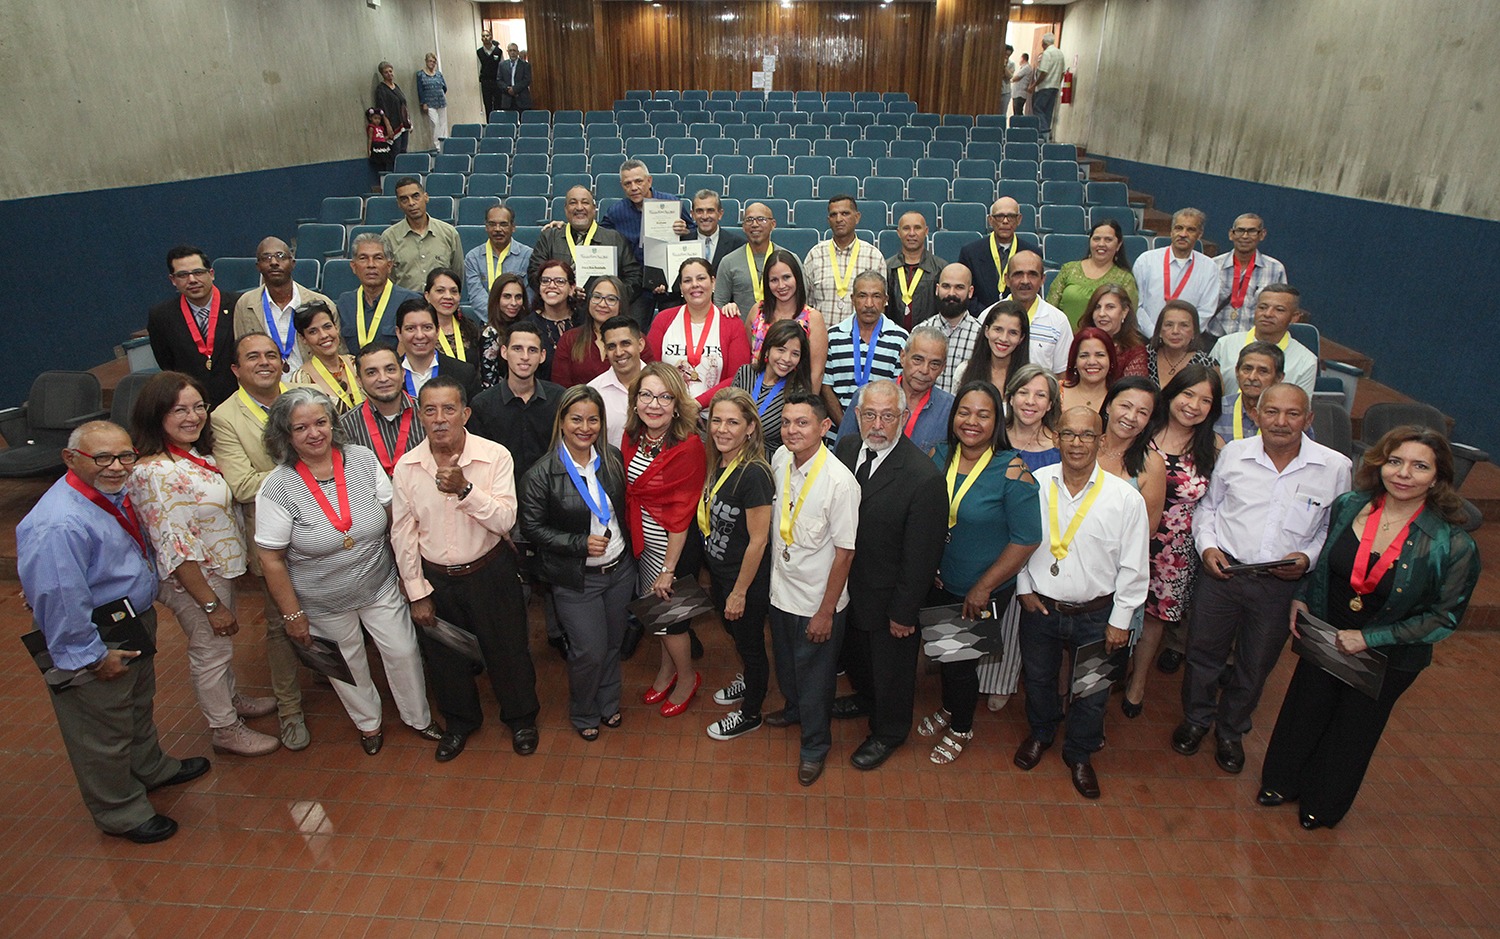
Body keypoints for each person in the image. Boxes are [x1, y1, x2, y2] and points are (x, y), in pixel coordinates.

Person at [1262, 427, 1479, 830]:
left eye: (1419, 466)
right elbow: (1326, 561)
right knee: (1304, 709)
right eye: (1395, 461)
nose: (1403, 474)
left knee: (1353, 729)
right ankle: (1280, 782)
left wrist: (1369, 638)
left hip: (1389, 653)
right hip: (1329, 633)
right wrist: (1303, 596)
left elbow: (1443, 618)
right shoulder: (1350, 505)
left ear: (1438, 478)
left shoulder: (1452, 544)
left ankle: (1322, 804)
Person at [18, 420, 212, 844]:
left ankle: (151, 768)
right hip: (92, 636)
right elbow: (59, 600)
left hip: (127, 620)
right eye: (102, 457)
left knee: (136, 705)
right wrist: (91, 657)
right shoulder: (59, 522)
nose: (117, 466)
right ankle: (120, 810)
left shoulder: (112, 494)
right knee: (100, 730)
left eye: (125, 456)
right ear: (70, 459)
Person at [1173, 383, 1352, 775]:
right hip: (1223, 574)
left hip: (1278, 585)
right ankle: (1196, 719)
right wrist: (1208, 548)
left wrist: (1307, 559)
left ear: (1309, 418)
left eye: (1292, 413)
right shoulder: (1234, 454)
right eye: (1271, 412)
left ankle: (1231, 731)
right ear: (1256, 415)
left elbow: (1332, 529)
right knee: (1202, 654)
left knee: (1255, 664)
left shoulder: (1335, 467)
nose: (1281, 422)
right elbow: (1208, 509)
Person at [256, 387, 442, 754]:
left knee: (404, 651)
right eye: (301, 428)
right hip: (322, 600)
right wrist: (292, 615)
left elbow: (396, 520)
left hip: (379, 584)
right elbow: (270, 559)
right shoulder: (276, 486)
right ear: (285, 435)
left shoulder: (361, 459)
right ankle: (368, 723)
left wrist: (408, 577)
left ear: (333, 424)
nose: (314, 433)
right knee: (347, 664)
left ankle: (418, 718)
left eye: (321, 422)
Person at [126, 372, 281, 757]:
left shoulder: (191, 454)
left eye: (199, 407)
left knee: (220, 648)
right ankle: (224, 729)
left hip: (217, 570)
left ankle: (230, 700)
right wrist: (210, 605)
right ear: (156, 413)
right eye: (180, 410)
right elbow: (175, 546)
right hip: (195, 581)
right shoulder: (156, 472)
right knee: (210, 653)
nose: (193, 417)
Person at [391, 376, 538, 762]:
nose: (440, 419)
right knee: (445, 659)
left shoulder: (494, 456)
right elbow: (403, 534)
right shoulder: (407, 467)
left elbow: (505, 520)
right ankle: (459, 723)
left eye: (449, 409)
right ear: (420, 416)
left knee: (508, 652)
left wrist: (465, 490)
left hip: (491, 572)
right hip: (437, 579)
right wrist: (416, 592)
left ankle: (521, 719)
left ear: (466, 413)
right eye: (430, 410)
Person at [1014, 406, 1151, 799]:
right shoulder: (1035, 484)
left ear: (1101, 441)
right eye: (1068, 434)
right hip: (1040, 608)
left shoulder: (1125, 499)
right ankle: (1042, 733)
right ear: (1056, 438)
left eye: (1087, 435)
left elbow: (1135, 566)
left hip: (1097, 615)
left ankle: (1079, 753)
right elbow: (1017, 540)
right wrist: (1023, 587)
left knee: (1092, 692)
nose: (1077, 443)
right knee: (1038, 680)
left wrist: (1121, 619)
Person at [920, 381, 1041, 764]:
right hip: (939, 579)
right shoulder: (938, 455)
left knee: (962, 664)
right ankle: (950, 708)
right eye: (964, 412)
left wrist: (983, 587)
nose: (971, 422)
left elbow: (1026, 539)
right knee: (946, 655)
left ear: (997, 422)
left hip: (980, 590)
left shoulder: (1013, 470)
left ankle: (961, 727)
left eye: (983, 415)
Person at [832, 379, 948, 771]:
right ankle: (866, 700)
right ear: (857, 415)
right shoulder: (847, 448)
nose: (877, 425)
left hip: (889, 599)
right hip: (849, 588)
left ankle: (890, 731)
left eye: (887, 416)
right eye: (869, 415)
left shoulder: (923, 477)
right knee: (860, 660)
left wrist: (904, 612)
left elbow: (922, 556)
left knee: (891, 671)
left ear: (904, 416)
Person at [519, 386, 636, 740]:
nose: (585, 428)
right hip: (577, 579)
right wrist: (579, 544)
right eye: (576, 419)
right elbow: (532, 529)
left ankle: (608, 703)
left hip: (619, 571)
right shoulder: (541, 474)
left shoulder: (612, 459)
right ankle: (584, 711)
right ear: (561, 421)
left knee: (613, 644)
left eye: (593, 420)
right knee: (590, 651)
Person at [210, 333, 309, 749]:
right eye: (253, 357)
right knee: (281, 624)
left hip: (325, 527)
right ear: (236, 369)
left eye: (271, 355)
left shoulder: (305, 397)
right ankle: (290, 710)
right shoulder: (224, 418)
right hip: (274, 541)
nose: (265, 362)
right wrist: (310, 470)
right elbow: (243, 485)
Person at [763, 393, 860, 787]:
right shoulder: (780, 459)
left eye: (802, 423)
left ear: (824, 427)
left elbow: (845, 554)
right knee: (787, 665)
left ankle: (815, 746)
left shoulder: (840, 483)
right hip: (780, 592)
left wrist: (825, 612)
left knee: (816, 680)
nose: (792, 430)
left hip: (816, 602)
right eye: (786, 422)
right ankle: (794, 709)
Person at [623, 363, 708, 715]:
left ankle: (687, 678)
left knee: (673, 622)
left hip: (675, 548)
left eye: (664, 397)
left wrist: (668, 570)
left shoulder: (689, 446)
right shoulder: (633, 437)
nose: (654, 404)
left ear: (677, 404)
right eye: (646, 395)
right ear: (635, 400)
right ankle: (666, 670)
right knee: (656, 616)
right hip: (645, 545)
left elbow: (681, 512)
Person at [699, 389, 776, 741]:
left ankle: (751, 712)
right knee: (738, 638)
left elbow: (758, 540)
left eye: (733, 422)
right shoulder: (719, 461)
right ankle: (749, 678)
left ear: (750, 427)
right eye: (716, 420)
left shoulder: (754, 474)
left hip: (744, 581)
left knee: (751, 646)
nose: (722, 429)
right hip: (721, 573)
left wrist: (740, 592)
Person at [469, 320, 564, 492]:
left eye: (532, 350)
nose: (525, 356)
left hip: (552, 494)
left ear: (542, 356)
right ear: (504, 352)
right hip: (500, 493)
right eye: (517, 349)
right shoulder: (482, 405)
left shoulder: (559, 398)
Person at [646, 258, 753, 405]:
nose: (695, 284)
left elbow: (738, 377)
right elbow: (651, 368)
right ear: (681, 287)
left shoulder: (732, 323)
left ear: (713, 282)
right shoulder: (663, 320)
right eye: (687, 280)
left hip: (715, 412)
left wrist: (698, 404)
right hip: (668, 409)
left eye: (701, 278)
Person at [528, 187, 642, 325]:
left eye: (585, 202)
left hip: (604, 317)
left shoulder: (615, 238)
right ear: (565, 209)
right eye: (573, 203)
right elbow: (534, 273)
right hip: (559, 315)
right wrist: (563, 292)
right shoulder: (549, 237)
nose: (579, 207)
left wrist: (612, 297)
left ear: (594, 209)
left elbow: (634, 277)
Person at [838, 325, 954, 455]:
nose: (924, 370)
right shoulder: (866, 396)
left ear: (943, 368)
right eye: (917, 360)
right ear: (903, 357)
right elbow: (843, 451)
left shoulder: (949, 409)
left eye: (934, 364)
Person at [148, 245, 240, 407]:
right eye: (183, 275)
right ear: (173, 280)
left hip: (238, 399)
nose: (192, 280)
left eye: (198, 272)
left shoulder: (238, 305)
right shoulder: (161, 317)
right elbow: (167, 364)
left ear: (211, 274)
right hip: (192, 405)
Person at [600, 160, 693, 320]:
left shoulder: (672, 203)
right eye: (628, 183)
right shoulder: (616, 212)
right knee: (633, 327)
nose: (633, 187)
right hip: (637, 283)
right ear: (622, 186)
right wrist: (563, 225)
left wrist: (685, 231)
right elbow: (597, 233)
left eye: (638, 181)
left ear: (649, 181)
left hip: (670, 281)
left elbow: (695, 233)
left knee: (672, 326)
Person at [232, 237, 339, 375]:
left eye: (280, 256)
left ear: (292, 263)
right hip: (266, 383)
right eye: (266, 258)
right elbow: (241, 356)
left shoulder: (321, 303)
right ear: (258, 266)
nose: (274, 262)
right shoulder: (245, 304)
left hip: (314, 382)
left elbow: (337, 354)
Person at [821, 272, 909, 430]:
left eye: (876, 296)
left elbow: (901, 390)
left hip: (881, 433)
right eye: (862, 296)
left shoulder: (900, 339)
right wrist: (846, 428)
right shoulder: (833, 336)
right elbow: (825, 387)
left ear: (886, 300)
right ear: (852, 299)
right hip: (838, 435)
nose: (869, 304)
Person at [1210, 284, 1317, 399]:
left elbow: (1299, 406)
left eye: (1279, 310)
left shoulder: (1306, 361)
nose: (1268, 314)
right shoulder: (1225, 345)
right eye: (1262, 307)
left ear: (1294, 317)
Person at [338, 341, 427, 477]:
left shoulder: (429, 414)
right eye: (371, 373)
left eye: (390, 369)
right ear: (359, 381)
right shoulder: (344, 427)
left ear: (403, 373)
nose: (383, 378)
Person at [746, 250, 829, 388]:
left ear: (797, 277)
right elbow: (747, 355)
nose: (781, 285)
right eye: (774, 280)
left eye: (786, 277)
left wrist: (808, 401)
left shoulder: (813, 318)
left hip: (795, 397)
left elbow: (816, 373)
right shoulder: (757, 311)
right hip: (754, 394)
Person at [1133, 208, 1220, 335]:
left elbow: (1206, 311)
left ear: (1200, 234)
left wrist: (1181, 336)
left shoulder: (1209, 267)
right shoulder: (1146, 261)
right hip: (1146, 336)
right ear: (1171, 230)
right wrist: (1154, 335)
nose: (1183, 234)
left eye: (1190, 230)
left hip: (1187, 340)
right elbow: (1136, 304)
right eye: (1179, 228)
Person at [801, 196, 883, 326]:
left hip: (861, 336)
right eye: (833, 215)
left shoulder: (874, 256)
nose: (839, 219)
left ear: (857, 217)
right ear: (829, 220)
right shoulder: (815, 255)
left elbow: (880, 305)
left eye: (845, 213)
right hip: (822, 335)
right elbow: (806, 305)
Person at [1207, 214, 1288, 340]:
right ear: (1231, 234)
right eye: (1240, 230)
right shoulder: (1212, 266)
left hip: (1255, 341)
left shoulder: (1275, 269)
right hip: (1213, 339)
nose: (1245, 236)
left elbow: (1281, 308)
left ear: (1262, 235)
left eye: (1252, 231)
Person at [1045, 220, 1140, 327]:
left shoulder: (1125, 279)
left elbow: (1128, 320)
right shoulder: (1069, 270)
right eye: (1096, 239)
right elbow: (1050, 309)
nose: (1101, 244)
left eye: (1108, 239)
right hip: (1064, 335)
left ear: (1118, 245)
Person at [336, 233, 420, 352]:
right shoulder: (345, 303)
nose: (371, 265)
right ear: (353, 266)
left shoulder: (410, 301)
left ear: (389, 266)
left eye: (378, 258)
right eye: (363, 258)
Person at [958, 197, 1042, 314]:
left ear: (1019, 219)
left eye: (1011, 216)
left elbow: (1032, 292)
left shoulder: (1032, 253)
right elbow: (965, 293)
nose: (1005, 221)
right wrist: (989, 316)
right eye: (1000, 216)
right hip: (980, 318)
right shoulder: (970, 253)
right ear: (990, 220)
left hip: (1020, 317)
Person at [382, 177, 464, 293]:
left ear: (426, 197)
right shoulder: (389, 237)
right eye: (404, 199)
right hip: (405, 303)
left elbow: (457, 275)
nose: (411, 203)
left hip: (441, 302)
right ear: (399, 204)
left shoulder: (449, 233)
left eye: (416, 196)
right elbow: (387, 279)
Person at [396, 298, 480, 403]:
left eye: (427, 327)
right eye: (410, 328)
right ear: (398, 333)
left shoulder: (464, 373)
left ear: (437, 331)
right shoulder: (388, 376)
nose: (420, 335)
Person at [289, 300, 364, 416]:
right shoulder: (302, 379)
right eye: (313, 331)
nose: (324, 335)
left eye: (327, 327)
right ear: (303, 338)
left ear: (336, 328)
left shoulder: (356, 363)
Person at [554, 275, 629, 387]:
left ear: (621, 304)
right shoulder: (569, 339)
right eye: (597, 297)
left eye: (611, 299)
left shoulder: (635, 340)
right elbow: (560, 388)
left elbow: (649, 381)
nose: (602, 304)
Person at [1005, 250, 1073, 373]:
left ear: (1042, 280)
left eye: (1032, 275)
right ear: (1007, 279)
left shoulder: (1058, 321)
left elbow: (1062, 374)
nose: (1025, 281)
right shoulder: (989, 316)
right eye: (1018, 274)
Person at [464, 204, 535, 322]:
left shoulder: (528, 256)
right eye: (492, 224)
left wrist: (513, 320)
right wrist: (497, 320)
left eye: (503, 224)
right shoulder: (473, 258)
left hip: (519, 321)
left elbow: (529, 296)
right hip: (487, 321)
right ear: (486, 227)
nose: (497, 229)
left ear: (513, 227)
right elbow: (476, 296)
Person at [714, 201, 779, 318]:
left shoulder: (789, 259)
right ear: (743, 227)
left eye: (761, 219)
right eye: (749, 220)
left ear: (773, 224)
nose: (755, 224)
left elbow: (801, 300)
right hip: (741, 328)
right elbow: (719, 303)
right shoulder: (728, 262)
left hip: (780, 328)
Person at [588, 316, 645, 448]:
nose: (618, 352)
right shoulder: (593, 391)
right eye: (611, 346)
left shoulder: (663, 385)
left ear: (640, 345)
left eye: (625, 343)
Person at [1212, 340, 1285, 443]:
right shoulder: (1216, 408)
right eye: (1247, 369)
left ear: (1279, 378)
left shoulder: (1288, 415)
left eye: (1263, 371)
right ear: (1237, 372)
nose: (1252, 377)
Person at [957, 300, 1030, 401]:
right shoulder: (963, 370)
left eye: (1013, 333)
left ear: (1021, 338)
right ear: (987, 331)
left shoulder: (1029, 378)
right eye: (998, 329)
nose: (1004, 338)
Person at [884, 211, 945, 330]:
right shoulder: (886, 268)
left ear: (926, 231)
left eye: (917, 228)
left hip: (929, 337)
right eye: (906, 228)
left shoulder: (941, 269)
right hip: (893, 336)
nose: (912, 233)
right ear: (898, 233)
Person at [928, 264, 981, 395]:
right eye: (946, 286)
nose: (951, 293)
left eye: (959, 287)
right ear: (937, 289)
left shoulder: (982, 336)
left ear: (970, 292)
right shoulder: (921, 331)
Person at [1078, 283, 1149, 378]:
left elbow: (1133, 386)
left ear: (1124, 311)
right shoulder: (1079, 342)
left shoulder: (1134, 350)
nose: (1101, 313)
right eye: (1097, 307)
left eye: (1110, 307)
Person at [526, 258, 581, 381]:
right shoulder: (528, 326)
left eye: (559, 281)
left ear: (572, 288)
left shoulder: (584, 321)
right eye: (545, 281)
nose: (551, 286)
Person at [1146, 299, 1215, 390]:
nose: (1175, 331)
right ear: (1159, 330)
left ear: (1194, 332)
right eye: (1169, 325)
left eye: (1184, 325)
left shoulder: (1207, 364)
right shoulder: (1144, 355)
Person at [1006, 363, 1063, 472]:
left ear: (1049, 404)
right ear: (1011, 399)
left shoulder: (1059, 448)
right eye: (1023, 393)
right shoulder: (992, 439)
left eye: (1040, 395)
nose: (1030, 401)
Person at [479, 271, 532, 388]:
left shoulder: (529, 327)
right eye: (507, 296)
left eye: (518, 297)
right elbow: (488, 382)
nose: (514, 303)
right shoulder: (491, 334)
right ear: (496, 299)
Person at [425, 267, 480, 365]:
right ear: (427, 296)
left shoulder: (470, 329)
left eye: (454, 291)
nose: (448, 296)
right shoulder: (419, 332)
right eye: (440, 291)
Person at [1059, 327, 1119, 414]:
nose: (1092, 362)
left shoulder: (1120, 398)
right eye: (1084, 356)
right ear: (1074, 361)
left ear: (1111, 360)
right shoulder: (1056, 392)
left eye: (1100, 355)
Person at [1031, 32, 1066, 142]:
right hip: (1054, 87)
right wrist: (1057, 83)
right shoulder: (1060, 54)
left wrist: (1034, 85)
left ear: (1043, 43)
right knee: (1048, 111)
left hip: (1045, 86)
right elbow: (1062, 72)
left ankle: (1044, 132)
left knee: (1038, 108)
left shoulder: (1047, 54)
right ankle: (1046, 137)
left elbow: (1043, 72)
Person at [374, 62, 410, 157]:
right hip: (393, 124)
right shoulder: (381, 89)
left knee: (404, 150)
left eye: (390, 71)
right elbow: (382, 109)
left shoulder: (396, 86)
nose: (389, 74)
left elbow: (403, 103)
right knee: (396, 151)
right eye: (386, 72)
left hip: (403, 123)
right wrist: (388, 126)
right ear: (382, 74)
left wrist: (408, 120)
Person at [415, 53, 447, 147]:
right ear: (426, 61)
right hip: (429, 103)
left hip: (441, 101)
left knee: (443, 123)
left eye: (434, 62)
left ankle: (445, 142)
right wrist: (423, 103)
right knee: (436, 123)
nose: (432, 63)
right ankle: (437, 145)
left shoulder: (438, 74)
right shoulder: (420, 74)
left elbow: (444, 87)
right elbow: (420, 90)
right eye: (430, 61)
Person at [477, 30, 504, 118]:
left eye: (487, 35)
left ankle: (498, 122)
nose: (485, 38)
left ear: (491, 37)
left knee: (498, 104)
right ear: (481, 39)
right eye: (483, 36)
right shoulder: (479, 52)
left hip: (496, 81)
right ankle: (490, 123)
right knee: (487, 104)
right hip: (485, 82)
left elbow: (502, 67)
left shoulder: (498, 51)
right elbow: (478, 67)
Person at [499, 42, 532, 112]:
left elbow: (527, 80)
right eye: (510, 50)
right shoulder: (502, 65)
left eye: (514, 50)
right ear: (508, 52)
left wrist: (514, 89)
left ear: (518, 52)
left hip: (522, 99)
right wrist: (507, 89)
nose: (512, 53)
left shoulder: (525, 65)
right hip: (507, 100)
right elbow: (499, 80)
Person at [999, 45, 1016, 117]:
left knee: (1003, 113)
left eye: (1008, 55)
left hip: (1005, 91)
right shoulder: (996, 62)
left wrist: (1005, 66)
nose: (1006, 56)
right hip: (997, 91)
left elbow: (1009, 76)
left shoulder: (1011, 64)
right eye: (1005, 54)